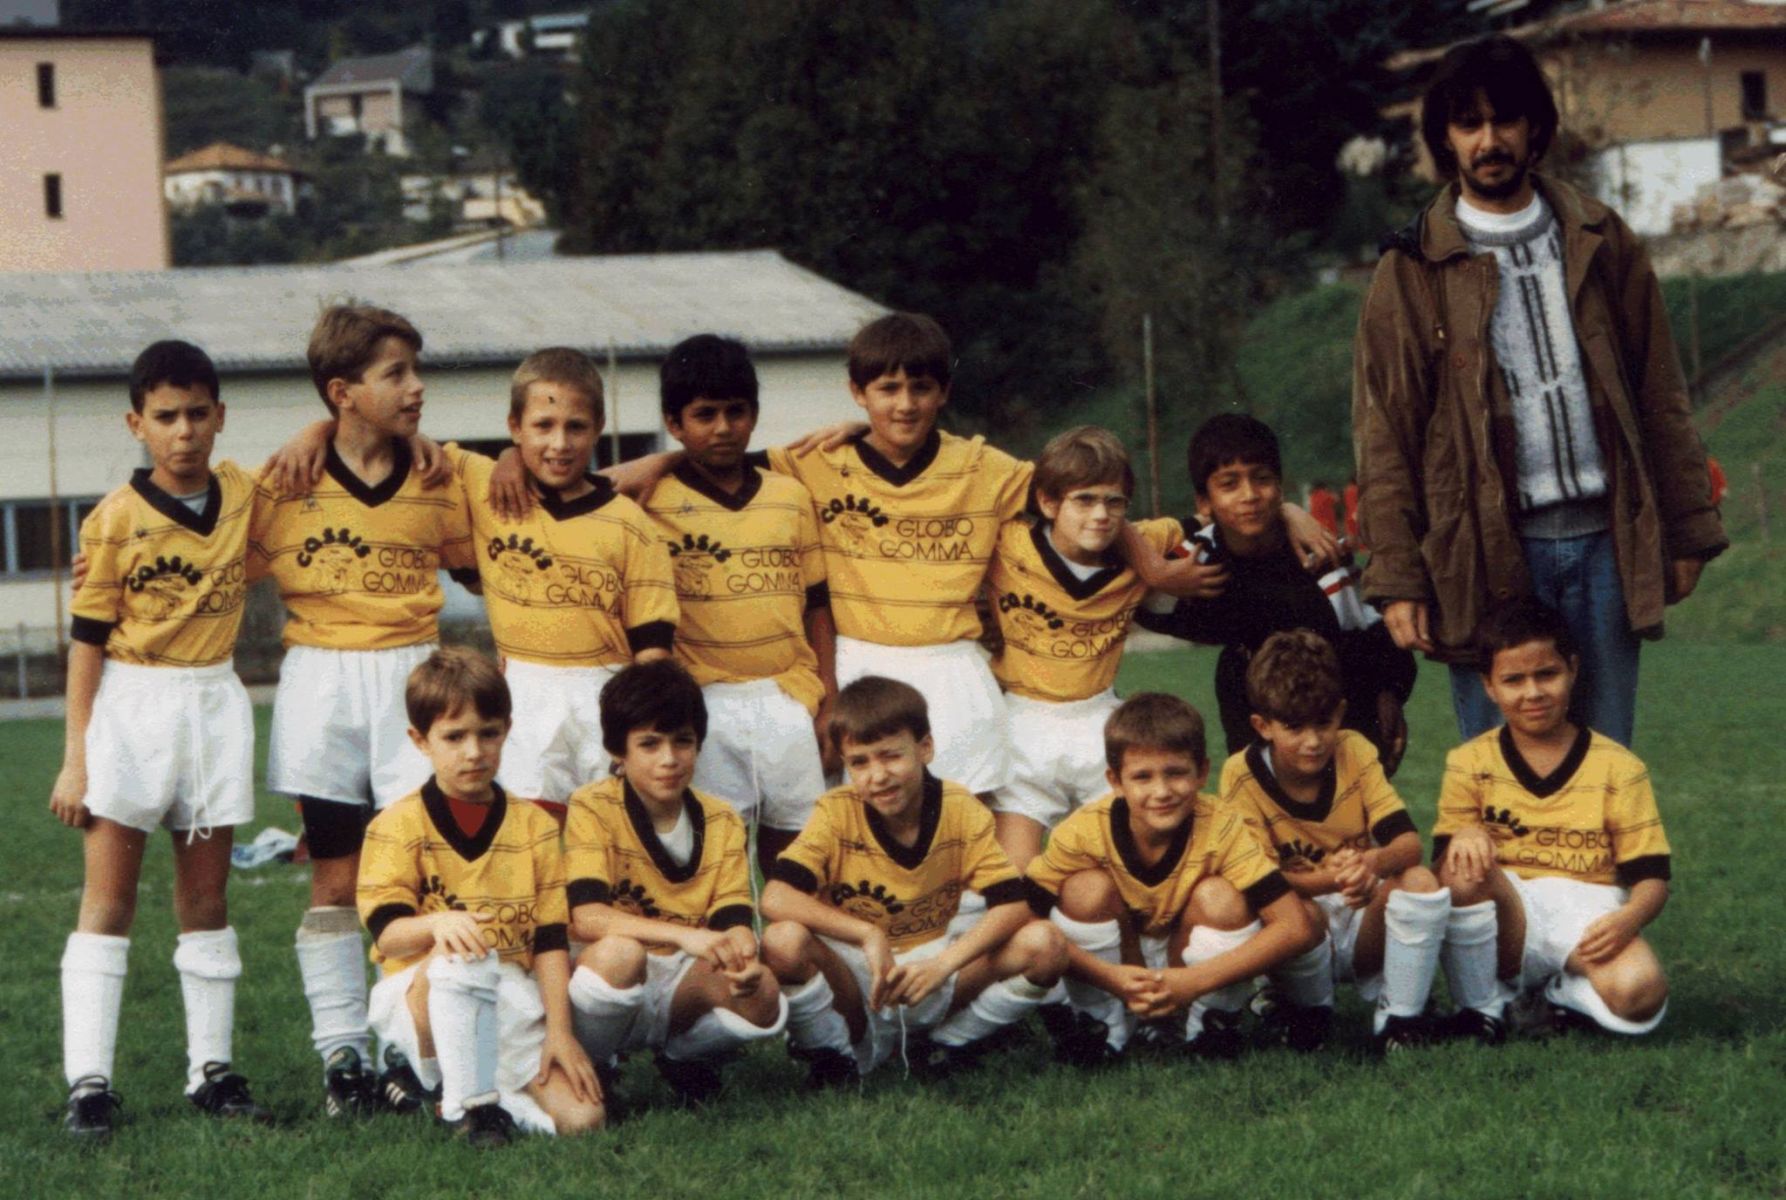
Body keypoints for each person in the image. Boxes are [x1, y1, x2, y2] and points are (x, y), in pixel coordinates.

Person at [1353, 34, 1726, 746]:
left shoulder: (1601, 239)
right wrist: (1397, 575)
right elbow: (1385, 433)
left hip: (1605, 545)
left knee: (1605, 765)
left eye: (1505, 120)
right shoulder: (1411, 268)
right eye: (1469, 123)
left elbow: (1659, 393)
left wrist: (1687, 529)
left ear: (1535, 128)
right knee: (1502, 779)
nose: (1489, 140)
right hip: (1485, 553)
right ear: (1445, 138)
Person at [250, 305, 477, 1115]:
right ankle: (342, 1054)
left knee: (419, 871)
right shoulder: (284, 482)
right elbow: (203, 556)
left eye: (416, 371)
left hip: (412, 678)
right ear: (342, 393)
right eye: (396, 375)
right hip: (320, 682)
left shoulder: (441, 475)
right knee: (337, 876)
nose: (416, 389)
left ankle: (407, 1050)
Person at [53, 340, 270, 1138]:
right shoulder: (113, 518)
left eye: (198, 414)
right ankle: (89, 1082)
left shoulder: (244, 492)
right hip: (132, 703)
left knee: (206, 898)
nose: (184, 431)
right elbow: (86, 645)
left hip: (212, 701)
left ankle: (211, 1070)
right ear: (136, 423)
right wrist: (76, 760)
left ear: (220, 416)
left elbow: (308, 466)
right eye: (166, 416)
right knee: (108, 899)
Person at [760, 676, 1068, 1084]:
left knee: (1046, 944)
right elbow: (775, 897)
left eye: (891, 756)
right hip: (858, 971)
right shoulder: (836, 812)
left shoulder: (960, 808)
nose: (877, 775)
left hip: (935, 960)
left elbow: (1012, 905)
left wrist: (943, 965)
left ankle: (950, 1043)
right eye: (860, 762)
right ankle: (835, 1055)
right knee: (782, 940)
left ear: (925, 748)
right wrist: (867, 933)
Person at [357, 647, 604, 1145]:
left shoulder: (535, 826)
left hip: (510, 996)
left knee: (583, 1121)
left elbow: (550, 942)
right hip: (423, 995)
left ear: (507, 730)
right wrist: (437, 924)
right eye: (454, 737)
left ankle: (457, 1095)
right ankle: (468, 1108)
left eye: (487, 733)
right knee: (462, 951)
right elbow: (389, 935)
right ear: (420, 740)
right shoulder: (396, 825)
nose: (473, 751)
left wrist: (560, 1033)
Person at [1023, 693, 1319, 1062]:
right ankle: (1102, 1024)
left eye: (1176, 773)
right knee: (1084, 889)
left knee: (1221, 896)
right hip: (1116, 960)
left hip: (1191, 959)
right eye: (1142, 777)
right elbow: (1024, 920)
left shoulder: (1224, 826)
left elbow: (1295, 926)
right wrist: (1109, 977)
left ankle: (1209, 1023)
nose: (1161, 791)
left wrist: (1193, 982)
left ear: (1202, 772)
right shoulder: (1082, 830)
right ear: (1115, 781)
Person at [640, 335, 836, 877]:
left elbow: (818, 608)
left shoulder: (789, 496)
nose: (723, 428)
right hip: (701, 702)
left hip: (788, 697)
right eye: (705, 415)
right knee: (711, 863)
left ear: (754, 414)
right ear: (674, 423)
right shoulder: (648, 499)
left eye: (736, 412)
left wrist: (829, 702)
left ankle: (790, 935)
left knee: (797, 860)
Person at [1433, 600, 1672, 1042]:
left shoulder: (1620, 767)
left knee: (1640, 993)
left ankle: (1558, 995)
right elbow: (1443, 875)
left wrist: (1629, 919)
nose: (1533, 693)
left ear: (1572, 670)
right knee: (1459, 867)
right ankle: (1484, 1004)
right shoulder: (1470, 761)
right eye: (1513, 680)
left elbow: (1653, 879)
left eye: (1546, 674)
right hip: (1510, 913)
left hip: (1587, 914)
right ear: (1488, 686)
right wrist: (1464, 834)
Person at [562, 660, 788, 1108]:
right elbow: (587, 918)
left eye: (682, 741)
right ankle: (598, 1063)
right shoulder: (592, 806)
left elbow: (733, 919)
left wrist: (741, 954)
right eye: (649, 743)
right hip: (612, 971)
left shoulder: (722, 819)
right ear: (617, 751)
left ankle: (685, 1057)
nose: (669, 759)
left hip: (681, 977)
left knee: (764, 994)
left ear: (698, 743)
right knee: (620, 953)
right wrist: (685, 935)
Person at [1138, 414, 1416, 771]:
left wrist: (1389, 693)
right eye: (1229, 484)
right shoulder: (1196, 559)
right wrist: (1160, 574)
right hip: (1252, 714)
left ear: (1280, 487)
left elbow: (1368, 632)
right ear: (1204, 501)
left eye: (1262, 479)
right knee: (1237, 667)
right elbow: (1135, 589)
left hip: (1338, 709)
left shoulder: (1317, 553)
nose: (1250, 495)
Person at [1219, 631, 1451, 1054]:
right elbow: (1262, 883)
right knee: (1294, 912)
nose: (1313, 741)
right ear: (1262, 726)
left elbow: (1408, 845)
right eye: (1294, 727)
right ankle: (1309, 1012)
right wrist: (1337, 879)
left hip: (1361, 906)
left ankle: (1401, 1017)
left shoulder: (1355, 750)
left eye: (1323, 722)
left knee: (1419, 882)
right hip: (1302, 915)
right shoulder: (1240, 773)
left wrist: (1371, 864)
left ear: (1341, 713)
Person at [984, 425, 1183, 871]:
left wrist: (1291, 512)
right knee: (1012, 876)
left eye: (1115, 502)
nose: (1101, 515)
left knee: (1123, 874)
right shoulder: (1008, 542)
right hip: (1022, 722)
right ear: (1048, 503)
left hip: (1099, 721)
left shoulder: (1149, 542)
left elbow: (1217, 521)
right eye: (1085, 500)